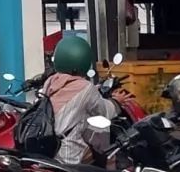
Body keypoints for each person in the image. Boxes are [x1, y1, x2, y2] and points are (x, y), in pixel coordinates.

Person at [42, 35, 130, 164]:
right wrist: (117, 101)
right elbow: (104, 111)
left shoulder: (51, 82)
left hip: (47, 148)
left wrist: (95, 90)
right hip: (68, 153)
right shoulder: (85, 87)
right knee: (110, 153)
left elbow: (71, 99)